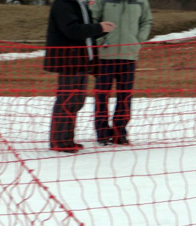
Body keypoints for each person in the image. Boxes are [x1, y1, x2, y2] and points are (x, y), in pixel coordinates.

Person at [44, 0, 115, 153]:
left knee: (76, 101)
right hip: (69, 61)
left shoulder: (81, 5)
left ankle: (67, 138)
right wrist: (98, 27)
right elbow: (72, 30)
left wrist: (102, 30)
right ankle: (59, 141)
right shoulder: (63, 4)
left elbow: (85, 34)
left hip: (82, 61)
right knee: (67, 100)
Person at [89, 0, 153, 145]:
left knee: (125, 95)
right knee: (101, 95)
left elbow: (146, 21)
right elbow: (93, 19)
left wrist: (138, 41)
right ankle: (102, 133)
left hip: (129, 56)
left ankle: (120, 132)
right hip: (106, 56)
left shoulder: (141, 1)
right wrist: (100, 39)